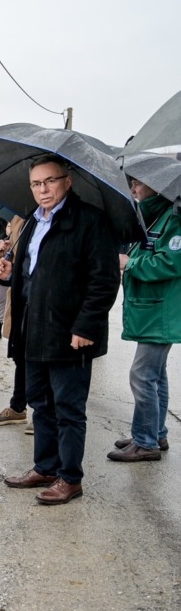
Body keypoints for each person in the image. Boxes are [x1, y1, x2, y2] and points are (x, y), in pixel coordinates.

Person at [0, 154, 120, 505]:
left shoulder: (90, 221)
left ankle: (70, 478)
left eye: (50, 181)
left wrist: (86, 325)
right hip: (33, 330)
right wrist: (7, 274)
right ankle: (45, 467)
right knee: (40, 404)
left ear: (68, 181)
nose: (43, 189)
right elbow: (33, 274)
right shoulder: (32, 222)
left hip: (71, 334)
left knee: (68, 408)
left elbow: (104, 280)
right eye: (36, 183)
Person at [108, 176, 179, 462]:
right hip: (154, 310)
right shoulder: (156, 216)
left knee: (142, 375)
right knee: (156, 375)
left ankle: (145, 441)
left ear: (156, 183)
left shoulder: (174, 219)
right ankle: (155, 433)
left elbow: (171, 262)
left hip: (162, 312)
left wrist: (130, 263)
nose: (133, 189)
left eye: (138, 183)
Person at [0, 213, 32, 431]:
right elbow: (16, 259)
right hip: (21, 296)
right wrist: (4, 251)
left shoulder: (53, 216)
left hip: (44, 299)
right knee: (21, 355)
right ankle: (17, 407)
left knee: (40, 357)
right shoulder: (19, 218)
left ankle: (43, 416)